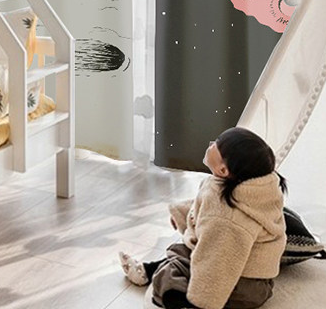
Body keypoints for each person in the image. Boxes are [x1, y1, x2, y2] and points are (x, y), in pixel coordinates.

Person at [119, 128, 287, 309]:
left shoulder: (227, 219)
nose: (211, 144)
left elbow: (218, 262)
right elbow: (206, 204)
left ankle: (177, 299)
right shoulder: (249, 188)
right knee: (181, 251)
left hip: (242, 286)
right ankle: (149, 270)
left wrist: (204, 302)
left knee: (168, 274)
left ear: (223, 169)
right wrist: (183, 214)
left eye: (217, 144)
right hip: (249, 274)